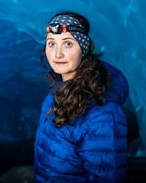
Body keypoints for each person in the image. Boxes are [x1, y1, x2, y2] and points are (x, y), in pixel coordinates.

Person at [34, 11, 129, 182]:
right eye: (51, 43)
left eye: (68, 44)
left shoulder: (103, 114)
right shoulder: (56, 91)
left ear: (84, 49)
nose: (57, 54)